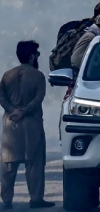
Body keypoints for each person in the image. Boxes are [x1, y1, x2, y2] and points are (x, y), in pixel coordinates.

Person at [0, 41, 55, 209]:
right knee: (34, 163)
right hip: (31, 124)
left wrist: (12, 111)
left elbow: (1, 97)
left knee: (8, 163)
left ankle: (6, 201)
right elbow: (38, 99)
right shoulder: (38, 76)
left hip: (11, 124)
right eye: (37, 54)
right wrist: (23, 111)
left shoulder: (7, 75)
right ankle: (36, 199)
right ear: (32, 57)